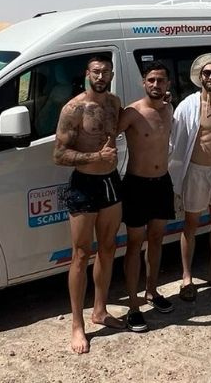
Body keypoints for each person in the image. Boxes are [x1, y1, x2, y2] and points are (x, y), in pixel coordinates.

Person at [52, 55, 124, 354]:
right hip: (84, 184)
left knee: (108, 249)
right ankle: (77, 324)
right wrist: (96, 157)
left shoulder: (115, 104)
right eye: (96, 72)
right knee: (81, 254)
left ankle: (100, 310)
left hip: (110, 182)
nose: (101, 76)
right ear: (87, 74)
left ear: (112, 75)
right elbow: (59, 154)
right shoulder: (74, 109)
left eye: (106, 72)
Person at [169, 53, 211, 300]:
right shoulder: (188, 105)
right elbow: (173, 137)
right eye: (207, 73)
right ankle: (187, 277)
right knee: (191, 224)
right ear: (200, 77)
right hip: (196, 171)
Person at [115, 61, 175, 332]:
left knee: (157, 239)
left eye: (160, 80)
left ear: (168, 84)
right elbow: (107, 136)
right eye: (151, 80)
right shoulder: (132, 112)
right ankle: (133, 306)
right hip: (137, 185)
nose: (155, 85)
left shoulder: (168, 109)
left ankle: (152, 291)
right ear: (143, 82)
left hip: (162, 182)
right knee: (134, 244)